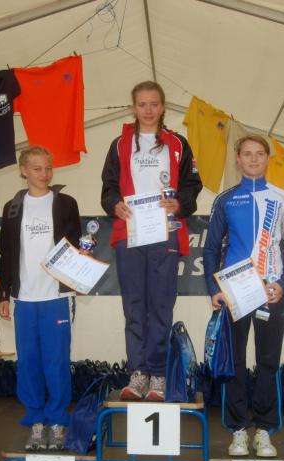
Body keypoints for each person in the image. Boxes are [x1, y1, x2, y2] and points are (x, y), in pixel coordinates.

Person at [101, 80, 202, 401]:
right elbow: (108, 187)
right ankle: (138, 373)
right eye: (142, 104)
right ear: (133, 107)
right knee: (134, 306)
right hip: (129, 232)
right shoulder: (120, 144)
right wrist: (114, 204)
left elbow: (193, 184)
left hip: (164, 232)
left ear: (163, 107)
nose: (148, 110)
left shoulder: (178, 144)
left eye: (154, 104)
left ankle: (158, 374)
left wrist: (179, 202)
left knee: (160, 304)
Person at [203, 134, 284, 457]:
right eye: (247, 154)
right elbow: (210, 249)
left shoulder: (283, 198)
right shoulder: (225, 200)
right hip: (235, 291)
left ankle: (264, 430)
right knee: (234, 362)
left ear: (268, 159)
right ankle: (238, 430)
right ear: (238, 159)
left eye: (260, 153)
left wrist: (282, 284)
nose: (254, 159)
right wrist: (214, 290)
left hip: (272, 291)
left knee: (268, 362)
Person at [0, 146, 82, 452]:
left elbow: (77, 246)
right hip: (25, 299)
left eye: (48, 168)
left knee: (56, 362)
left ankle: (57, 422)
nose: (44, 174)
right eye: (37, 169)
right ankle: (35, 422)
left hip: (56, 297)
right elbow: (7, 253)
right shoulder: (12, 208)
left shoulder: (66, 203)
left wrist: (81, 268)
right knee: (29, 362)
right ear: (23, 170)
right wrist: (4, 293)